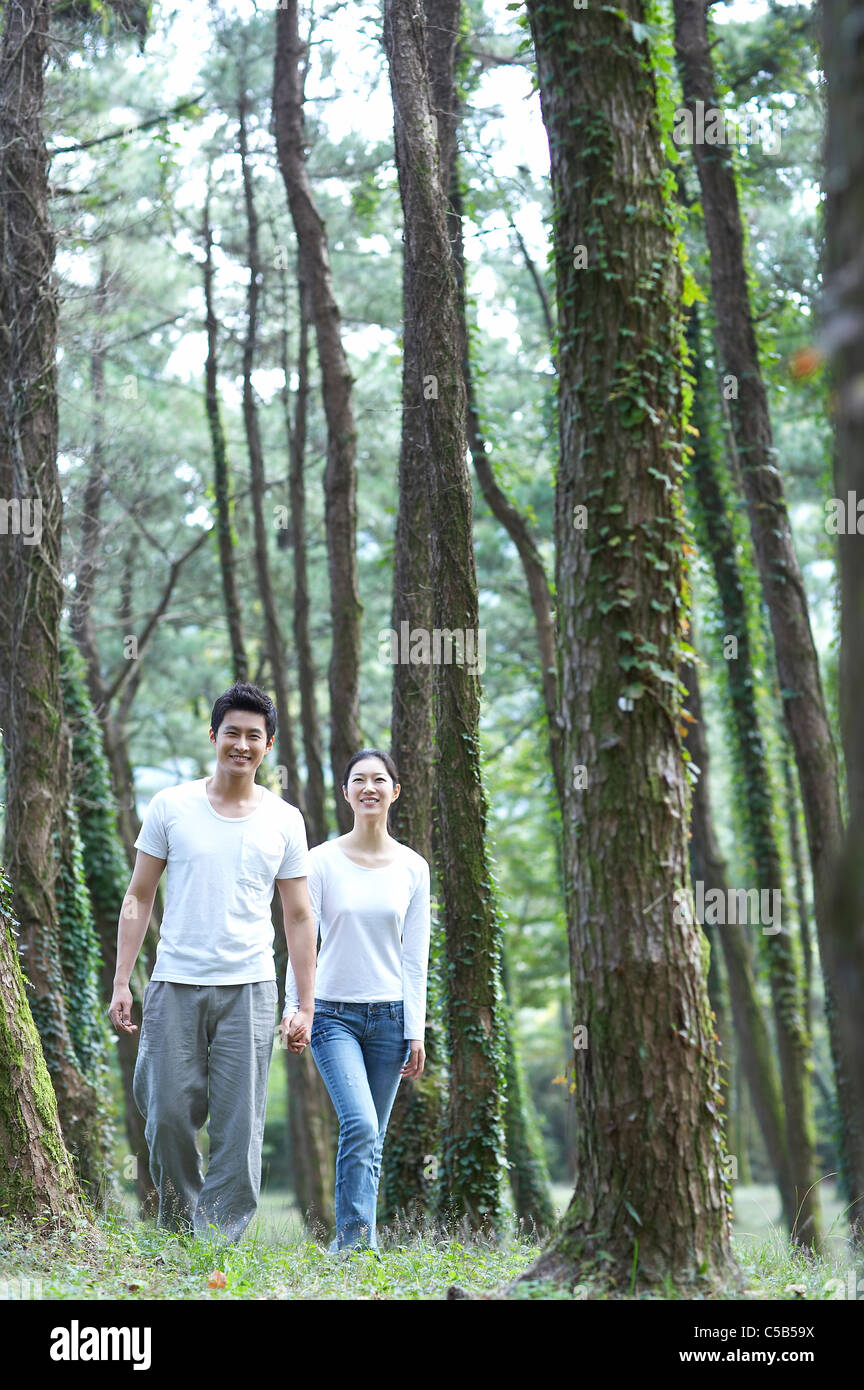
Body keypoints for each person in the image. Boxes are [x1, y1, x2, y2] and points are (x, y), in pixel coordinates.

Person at [108, 682, 316, 1243]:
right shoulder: (171, 806)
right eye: (232, 734)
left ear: (267, 745)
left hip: (250, 987)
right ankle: (180, 1230)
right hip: (175, 982)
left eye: (254, 736)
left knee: (238, 1126)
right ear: (214, 737)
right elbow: (139, 895)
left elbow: (298, 916)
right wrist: (122, 980)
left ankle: (216, 1244)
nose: (241, 745)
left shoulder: (285, 820)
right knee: (168, 1113)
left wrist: (305, 1004)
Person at [280, 749, 431, 1253]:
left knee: (372, 1138)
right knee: (361, 1123)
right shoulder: (319, 861)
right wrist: (293, 1007)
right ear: (345, 792)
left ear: (395, 791)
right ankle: (354, 1247)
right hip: (331, 1015)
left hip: (391, 1018)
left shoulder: (413, 867)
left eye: (379, 780)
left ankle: (354, 1245)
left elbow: (416, 955)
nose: (369, 788)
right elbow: (302, 939)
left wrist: (416, 1028)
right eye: (359, 780)